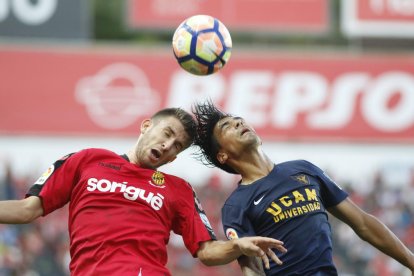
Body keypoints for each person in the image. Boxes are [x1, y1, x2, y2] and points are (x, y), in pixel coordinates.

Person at [0, 107, 287, 276]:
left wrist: (237, 246)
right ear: (146, 125)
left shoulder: (178, 190)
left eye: (177, 146)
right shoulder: (87, 160)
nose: (168, 145)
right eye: (167, 134)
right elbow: (28, 210)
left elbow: (206, 250)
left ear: (173, 159)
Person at [192, 100, 414, 275]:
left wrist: (411, 261)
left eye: (239, 119)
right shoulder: (236, 205)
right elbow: (251, 268)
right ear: (222, 155)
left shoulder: (304, 169)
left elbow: (363, 223)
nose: (238, 123)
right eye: (227, 126)